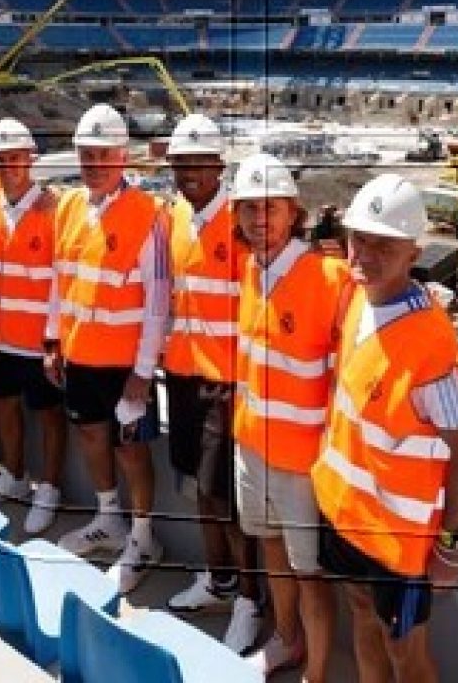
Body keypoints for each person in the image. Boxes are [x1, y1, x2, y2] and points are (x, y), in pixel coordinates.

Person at [311, 174, 458, 683]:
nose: (364, 253)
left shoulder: (432, 350)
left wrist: (450, 546)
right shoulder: (360, 301)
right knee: (362, 617)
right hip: (349, 518)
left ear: (413, 251)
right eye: (359, 238)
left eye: (383, 244)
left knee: (406, 654)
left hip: (401, 543)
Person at [231, 152, 352, 683]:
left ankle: (316, 674)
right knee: (273, 554)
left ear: (293, 213)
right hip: (253, 450)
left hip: (303, 464)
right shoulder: (252, 272)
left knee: (311, 576)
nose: (260, 221)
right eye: (249, 210)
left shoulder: (328, 277)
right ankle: (286, 641)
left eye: (271, 209)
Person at [47, 103, 170, 595]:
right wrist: (53, 340)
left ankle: (143, 538)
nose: (94, 163)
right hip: (80, 358)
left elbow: (158, 302)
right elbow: (61, 280)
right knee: (93, 439)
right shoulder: (69, 207)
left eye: (104, 154)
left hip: (125, 367)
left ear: (124, 157)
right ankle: (108, 520)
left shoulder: (148, 216)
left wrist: (142, 374)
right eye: (86, 154)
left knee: (132, 452)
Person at [162, 113, 263, 654]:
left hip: (225, 385)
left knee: (224, 497)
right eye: (180, 164)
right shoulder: (175, 215)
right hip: (182, 374)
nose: (187, 174)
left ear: (218, 165)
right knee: (201, 491)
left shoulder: (240, 222)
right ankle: (220, 582)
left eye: (198, 164)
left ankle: (248, 599)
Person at [0, 118, 67, 534]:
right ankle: (13, 475)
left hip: (36, 342)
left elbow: (60, 279)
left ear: (30, 160)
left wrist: (53, 338)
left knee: (49, 417)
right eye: (1, 160)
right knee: (5, 408)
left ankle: (48, 487)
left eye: (16, 158)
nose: (9, 166)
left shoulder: (53, 210)